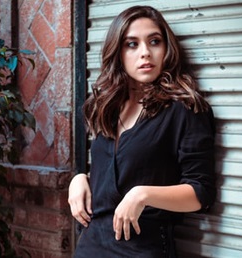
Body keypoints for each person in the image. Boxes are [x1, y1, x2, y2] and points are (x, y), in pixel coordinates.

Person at [68, 5, 216, 258]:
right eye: (132, 44)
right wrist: (79, 178)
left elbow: (200, 192)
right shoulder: (106, 107)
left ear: (167, 49)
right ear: (118, 52)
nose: (145, 53)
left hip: (143, 249)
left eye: (154, 41)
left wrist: (142, 194)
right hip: (90, 246)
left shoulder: (185, 109)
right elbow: (116, 173)